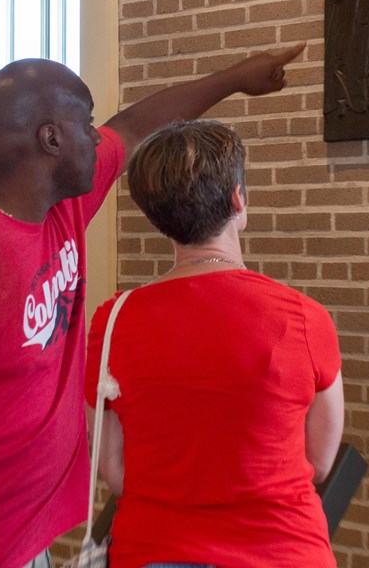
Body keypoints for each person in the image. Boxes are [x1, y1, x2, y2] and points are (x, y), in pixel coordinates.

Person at [0, 43, 305, 568]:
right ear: (51, 139)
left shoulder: (58, 204)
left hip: (23, 535)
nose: (98, 137)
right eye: (86, 124)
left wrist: (234, 78)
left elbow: (134, 128)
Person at [85, 120, 345, 568]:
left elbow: (114, 472)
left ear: (157, 218)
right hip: (282, 552)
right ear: (237, 199)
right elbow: (318, 463)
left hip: (153, 551)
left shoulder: (113, 321)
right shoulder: (305, 317)